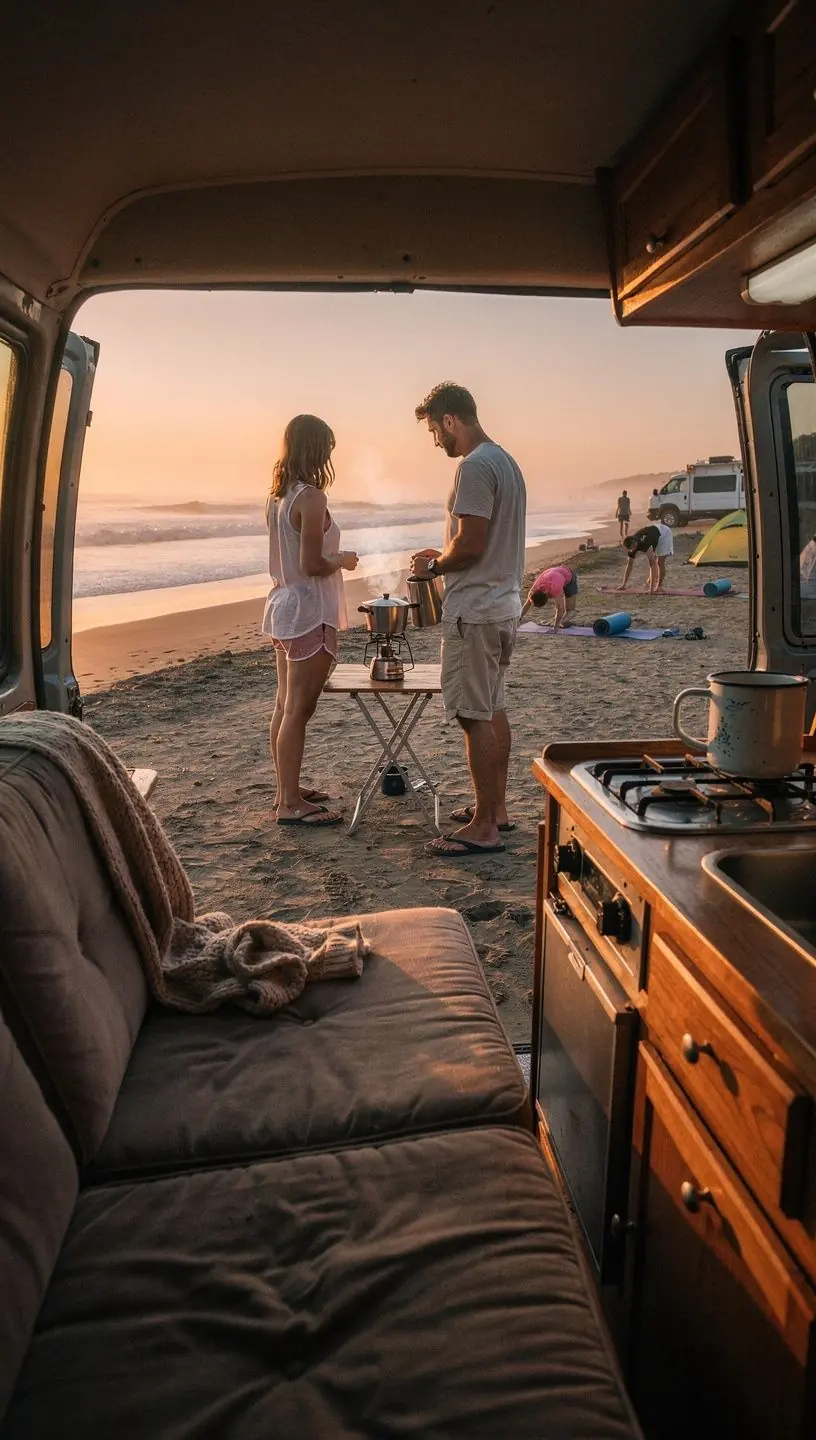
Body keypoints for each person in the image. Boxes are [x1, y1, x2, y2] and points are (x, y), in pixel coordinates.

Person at [411, 382, 526, 857]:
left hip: (475, 611)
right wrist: (447, 552)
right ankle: (496, 810)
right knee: (493, 708)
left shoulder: (475, 466)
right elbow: (479, 539)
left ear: (450, 420)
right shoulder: (506, 462)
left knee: (471, 713)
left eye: (434, 431)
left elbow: (473, 543)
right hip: (503, 604)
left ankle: (484, 827)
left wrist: (435, 567)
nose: (436, 440)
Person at [263, 414, 359, 826]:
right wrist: (343, 559)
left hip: (283, 607)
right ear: (316, 448)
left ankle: (286, 790)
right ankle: (289, 804)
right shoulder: (312, 498)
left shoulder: (278, 497)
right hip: (308, 611)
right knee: (299, 710)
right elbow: (313, 564)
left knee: (284, 705)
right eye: (328, 448)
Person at [617, 521, 673, 593]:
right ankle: (650, 582)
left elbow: (652, 564)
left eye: (632, 549)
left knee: (659, 562)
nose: (631, 551)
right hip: (653, 531)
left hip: (664, 533)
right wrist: (623, 585)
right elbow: (630, 564)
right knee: (653, 559)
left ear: (634, 544)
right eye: (630, 550)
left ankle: (659, 586)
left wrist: (651, 590)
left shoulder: (644, 544)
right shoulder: (631, 544)